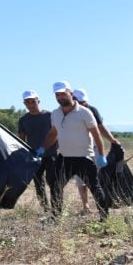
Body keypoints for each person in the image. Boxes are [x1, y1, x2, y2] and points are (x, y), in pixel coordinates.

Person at [38, 81, 109, 219]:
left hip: (84, 158)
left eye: (63, 94)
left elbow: (96, 135)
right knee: (55, 187)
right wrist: (43, 147)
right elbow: (53, 133)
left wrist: (101, 155)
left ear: (70, 93)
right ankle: (56, 217)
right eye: (57, 95)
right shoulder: (55, 114)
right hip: (64, 158)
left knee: (95, 188)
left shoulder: (85, 112)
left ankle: (104, 217)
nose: (60, 97)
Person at [72, 88, 120, 214]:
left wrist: (112, 140)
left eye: (83, 102)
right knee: (81, 181)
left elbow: (101, 128)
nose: (83, 105)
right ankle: (85, 206)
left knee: (98, 178)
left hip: (93, 149)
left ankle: (103, 203)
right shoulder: (68, 112)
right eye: (80, 102)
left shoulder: (92, 110)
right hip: (77, 151)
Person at [18, 90, 59, 212]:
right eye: (28, 102)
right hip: (34, 157)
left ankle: (56, 208)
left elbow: (56, 133)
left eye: (33, 101)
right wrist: (24, 155)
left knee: (53, 183)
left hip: (51, 154)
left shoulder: (50, 116)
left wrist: (45, 147)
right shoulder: (23, 120)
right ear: (25, 104)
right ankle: (45, 209)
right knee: (38, 184)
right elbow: (21, 138)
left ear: (38, 101)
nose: (31, 104)